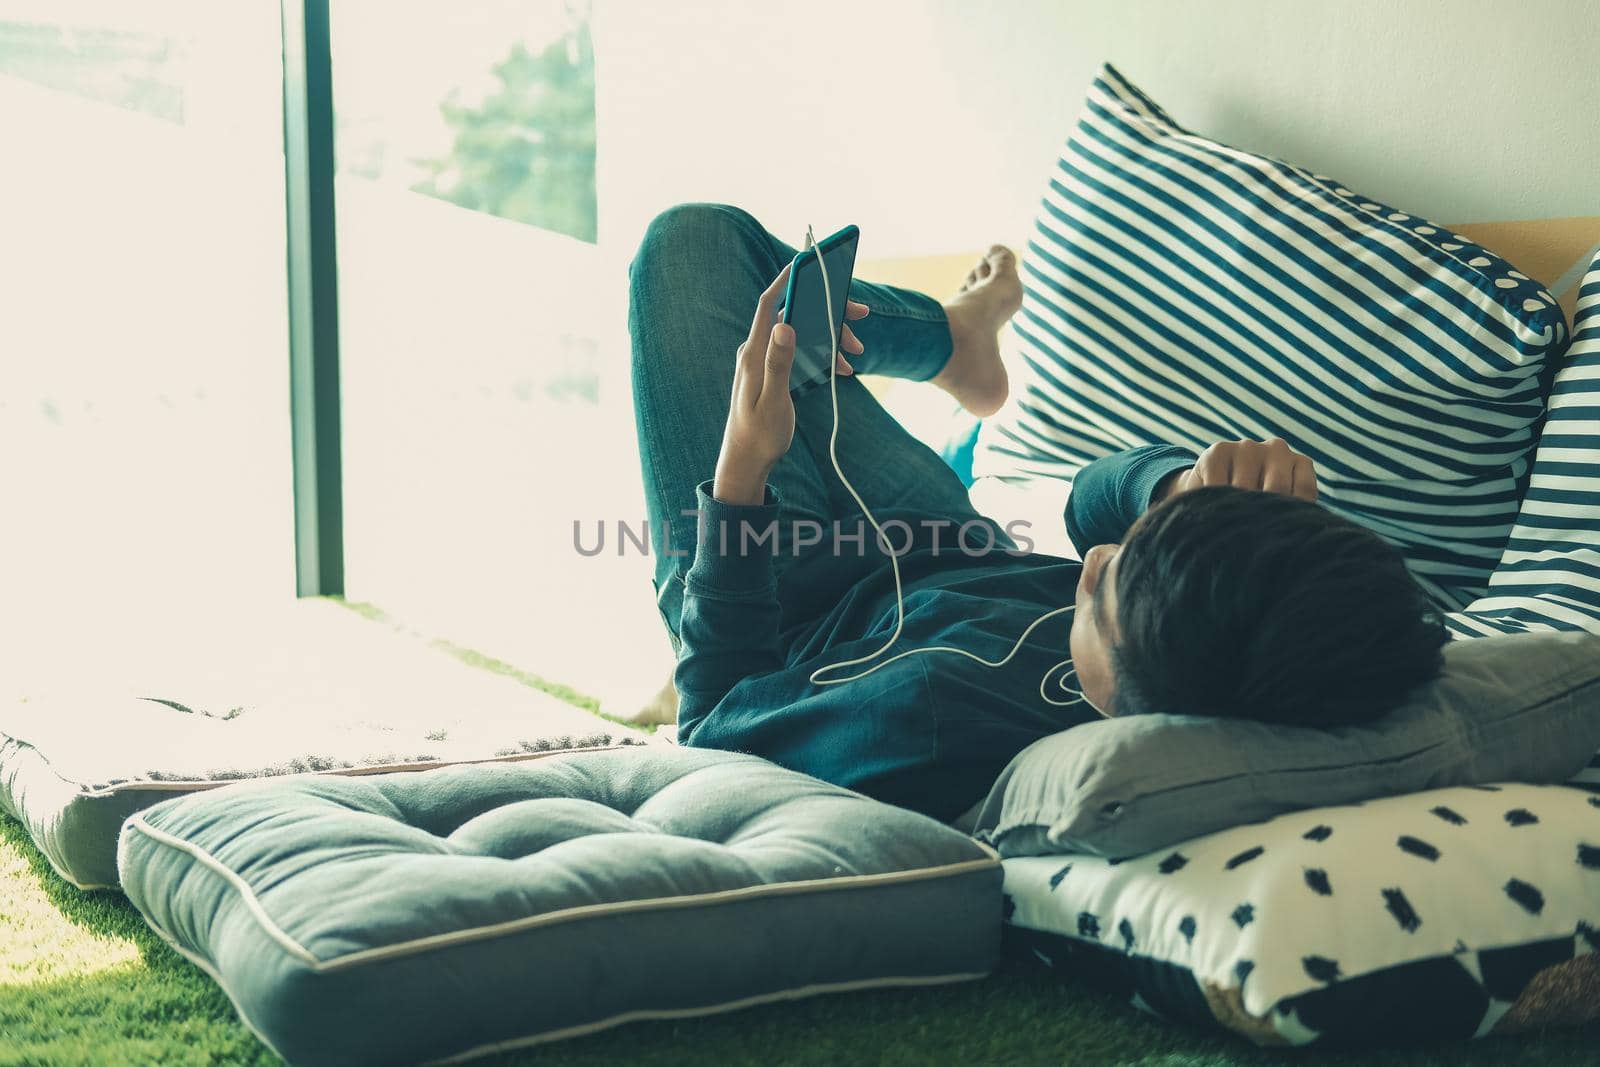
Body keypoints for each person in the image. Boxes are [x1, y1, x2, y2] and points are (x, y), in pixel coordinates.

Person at [627, 203, 1448, 824]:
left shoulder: (925, 723)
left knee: (691, 248)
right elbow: (1091, 504)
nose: (1086, 567)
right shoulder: (1204, 626)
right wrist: (1174, 492)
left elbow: (714, 724)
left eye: (1097, 595)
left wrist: (742, 470)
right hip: (940, 538)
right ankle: (959, 342)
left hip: (779, 596)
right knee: (775, 299)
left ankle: (949, 338)